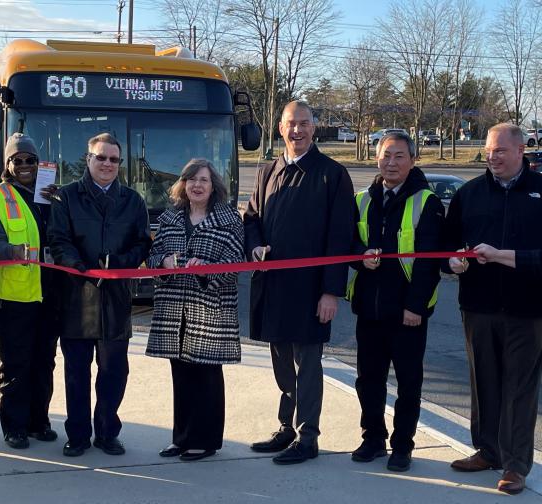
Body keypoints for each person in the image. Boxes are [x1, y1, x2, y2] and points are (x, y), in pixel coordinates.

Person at [243, 100, 354, 465]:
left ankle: (308, 436)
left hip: (311, 291)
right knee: (280, 363)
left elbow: (341, 236)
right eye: (292, 124)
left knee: (307, 365)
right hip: (273, 287)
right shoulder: (267, 171)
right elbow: (252, 217)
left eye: (305, 123)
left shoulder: (332, 174)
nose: (298, 130)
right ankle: (286, 428)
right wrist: (255, 245)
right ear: (280, 128)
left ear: (314, 127)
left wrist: (330, 291)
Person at [445, 123, 542, 495]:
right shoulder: (469, 193)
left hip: (527, 309)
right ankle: (488, 450)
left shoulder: (539, 192)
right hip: (478, 306)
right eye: (488, 150)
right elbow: (448, 244)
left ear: (522, 151)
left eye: (500, 150)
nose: (492, 156)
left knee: (519, 388)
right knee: (483, 381)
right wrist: (451, 261)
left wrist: (503, 257)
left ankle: (516, 465)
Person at [47, 132, 152, 457]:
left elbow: (142, 243)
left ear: (119, 164)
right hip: (77, 299)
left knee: (113, 372)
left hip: (116, 300)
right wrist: (77, 266)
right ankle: (77, 435)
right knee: (76, 373)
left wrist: (117, 264)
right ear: (88, 159)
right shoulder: (65, 197)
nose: (107, 164)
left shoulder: (133, 201)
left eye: (113, 159)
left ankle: (107, 433)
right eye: (100, 157)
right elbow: (57, 238)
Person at [347, 131, 444, 472]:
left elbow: (430, 262)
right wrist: (361, 256)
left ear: (413, 160)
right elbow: (349, 245)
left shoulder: (426, 202)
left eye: (399, 156)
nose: (391, 162)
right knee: (368, 380)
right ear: (377, 158)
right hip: (369, 309)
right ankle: (373, 438)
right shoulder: (363, 199)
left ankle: (402, 445)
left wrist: (415, 307)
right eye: (386, 155)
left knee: (408, 383)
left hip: (407, 313)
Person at [146, 159, 244, 462]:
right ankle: (181, 438)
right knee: (181, 375)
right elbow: (153, 255)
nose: (197, 185)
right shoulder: (170, 218)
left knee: (206, 377)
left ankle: (206, 440)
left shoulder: (230, 220)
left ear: (213, 185)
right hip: (175, 309)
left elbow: (236, 262)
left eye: (203, 180)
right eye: (191, 180)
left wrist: (207, 270)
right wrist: (163, 262)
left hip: (210, 308)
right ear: (183, 185)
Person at [0, 133, 63, 449]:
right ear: (8, 164)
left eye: (31, 160)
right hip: (11, 297)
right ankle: (14, 426)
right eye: (18, 160)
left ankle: (38, 422)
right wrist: (10, 250)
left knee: (44, 360)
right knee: (17, 362)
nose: (25, 165)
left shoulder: (49, 196)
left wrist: (60, 202)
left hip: (48, 293)